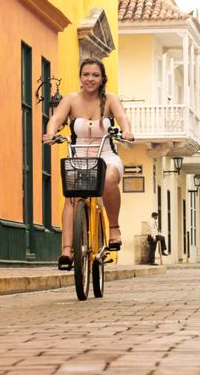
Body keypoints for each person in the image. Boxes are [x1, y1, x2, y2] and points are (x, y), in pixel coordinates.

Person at [43, 56, 134, 270]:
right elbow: (56, 118)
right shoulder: (71, 100)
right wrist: (50, 133)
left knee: (110, 178)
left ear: (102, 79)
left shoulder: (110, 99)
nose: (90, 79)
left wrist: (127, 131)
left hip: (106, 154)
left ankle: (113, 228)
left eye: (95, 75)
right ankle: (67, 250)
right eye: (86, 75)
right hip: (79, 156)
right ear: (80, 77)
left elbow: (122, 118)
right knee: (72, 198)